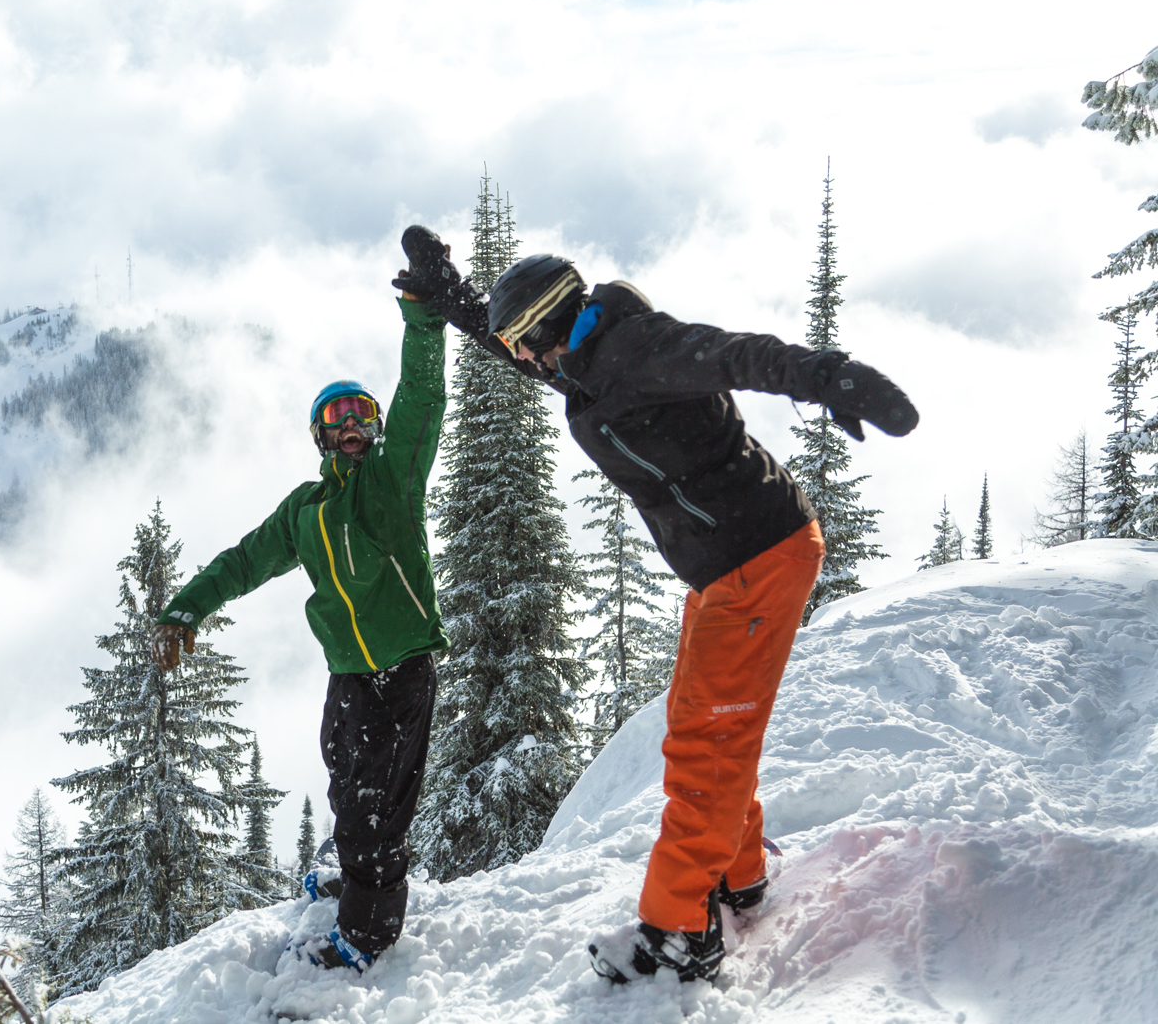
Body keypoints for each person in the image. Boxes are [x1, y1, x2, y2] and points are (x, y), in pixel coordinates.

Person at [392, 225, 917, 985]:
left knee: (708, 746)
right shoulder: (580, 360)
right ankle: (739, 876)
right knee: (699, 729)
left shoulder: (637, 350)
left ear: (546, 324)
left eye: (521, 339)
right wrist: (452, 297)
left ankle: (679, 932)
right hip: (724, 566)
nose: (521, 355)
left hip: (757, 559)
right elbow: (515, 352)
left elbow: (737, 353)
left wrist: (832, 377)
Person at [148, 270, 449, 974]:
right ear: (319, 434)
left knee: (380, 807)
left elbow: (422, 401)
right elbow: (244, 560)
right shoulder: (306, 510)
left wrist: (422, 321)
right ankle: (347, 875)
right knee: (348, 790)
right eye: (338, 416)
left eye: (361, 413)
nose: (353, 424)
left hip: (404, 667)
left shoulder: (393, 479)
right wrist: (187, 605)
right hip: (348, 672)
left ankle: (366, 935)